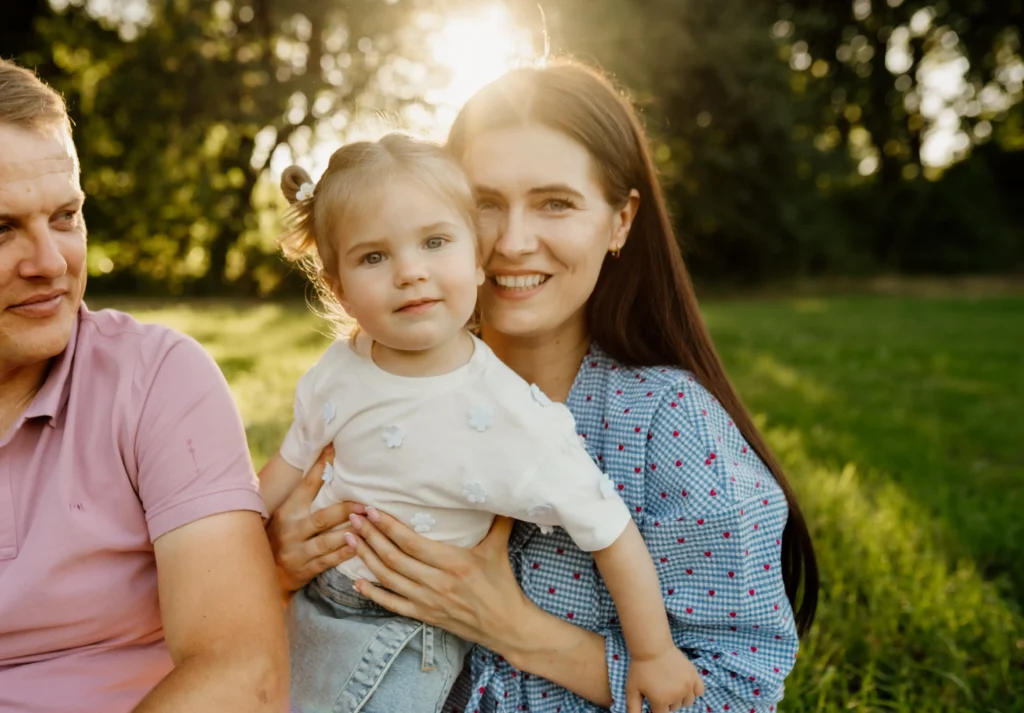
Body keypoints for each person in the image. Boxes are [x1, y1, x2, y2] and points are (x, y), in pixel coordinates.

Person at [267, 60, 819, 713]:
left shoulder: (670, 428)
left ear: (620, 220)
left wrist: (518, 630)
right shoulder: (375, 380)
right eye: (484, 205)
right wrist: (276, 569)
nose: (513, 240)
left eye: (555, 203)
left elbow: (736, 697)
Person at [259, 133, 703, 713]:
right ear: (339, 286)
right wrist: (245, 548)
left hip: (408, 634)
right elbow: (287, 467)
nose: (410, 272)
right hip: (312, 605)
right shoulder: (342, 366)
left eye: (435, 242)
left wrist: (651, 654)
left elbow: (611, 531)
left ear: (476, 261)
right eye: (374, 257)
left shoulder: (510, 413)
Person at [0, 58, 289, 712]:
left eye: (66, 215)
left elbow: (244, 673)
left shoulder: (156, 380)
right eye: (2, 228)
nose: (49, 263)